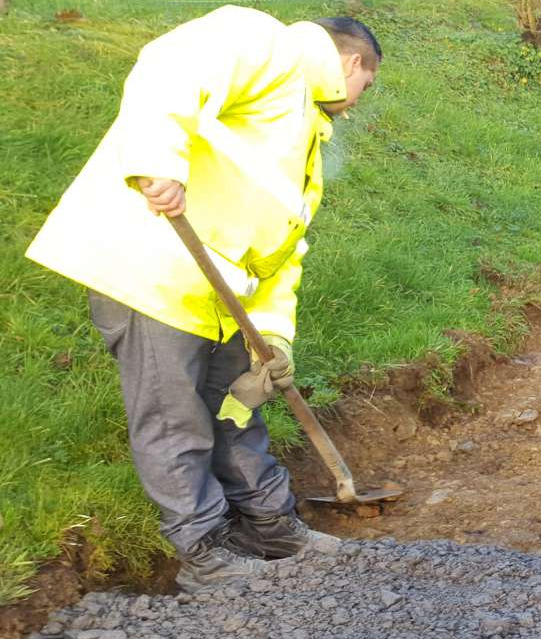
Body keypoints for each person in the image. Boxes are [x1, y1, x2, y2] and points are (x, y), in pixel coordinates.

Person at [24, 8, 382, 592]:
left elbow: (280, 253)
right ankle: (204, 552)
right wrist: (157, 163)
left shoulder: (303, 130)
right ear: (351, 62)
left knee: (235, 407)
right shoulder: (265, 45)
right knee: (175, 421)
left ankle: (269, 526)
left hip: (213, 296)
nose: (366, 95)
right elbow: (171, 68)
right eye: (370, 81)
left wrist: (273, 337)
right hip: (151, 268)